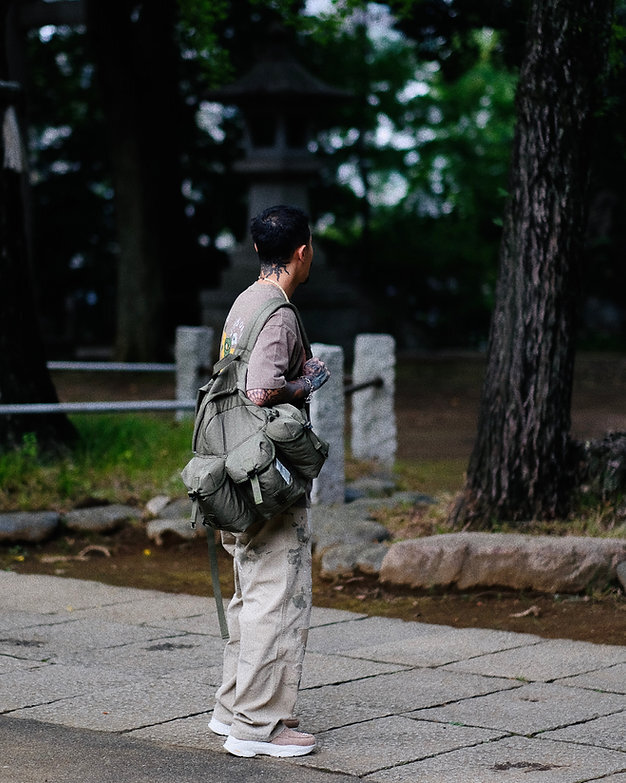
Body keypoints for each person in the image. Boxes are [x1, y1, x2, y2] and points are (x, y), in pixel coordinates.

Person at [208, 205, 330, 758]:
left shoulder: (244, 301)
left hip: (231, 459)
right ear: (302, 251)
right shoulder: (279, 312)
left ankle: (232, 706)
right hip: (264, 473)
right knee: (274, 593)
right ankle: (258, 726)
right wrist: (306, 380)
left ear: (259, 250)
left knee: (247, 586)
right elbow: (261, 389)